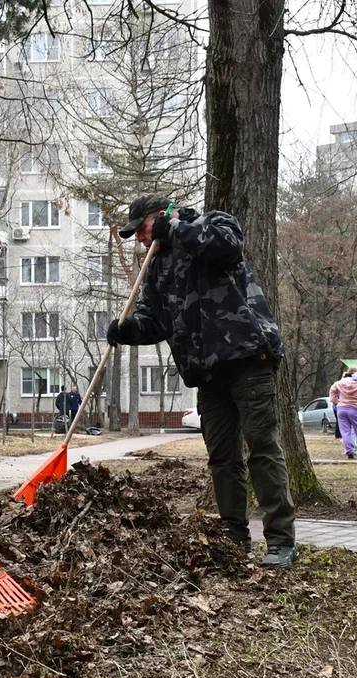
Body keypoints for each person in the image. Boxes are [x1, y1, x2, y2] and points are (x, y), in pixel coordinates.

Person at [106, 194, 297, 568]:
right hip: (206, 373)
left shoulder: (212, 223)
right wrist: (127, 330)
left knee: (261, 446)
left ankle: (280, 541)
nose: (142, 240)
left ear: (160, 217)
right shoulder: (157, 266)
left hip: (247, 356)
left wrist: (176, 230)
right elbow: (155, 320)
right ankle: (233, 538)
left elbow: (226, 248)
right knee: (222, 457)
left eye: (142, 230)